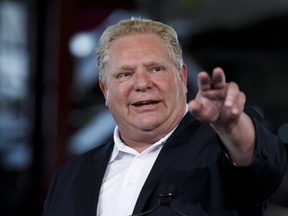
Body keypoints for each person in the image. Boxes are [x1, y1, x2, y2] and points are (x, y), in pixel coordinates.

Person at [43, 18, 287, 216]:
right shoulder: (69, 177)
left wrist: (231, 126)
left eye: (156, 69)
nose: (141, 83)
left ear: (181, 77)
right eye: (124, 74)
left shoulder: (218, 146)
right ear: (106, 91)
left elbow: (259, 160)